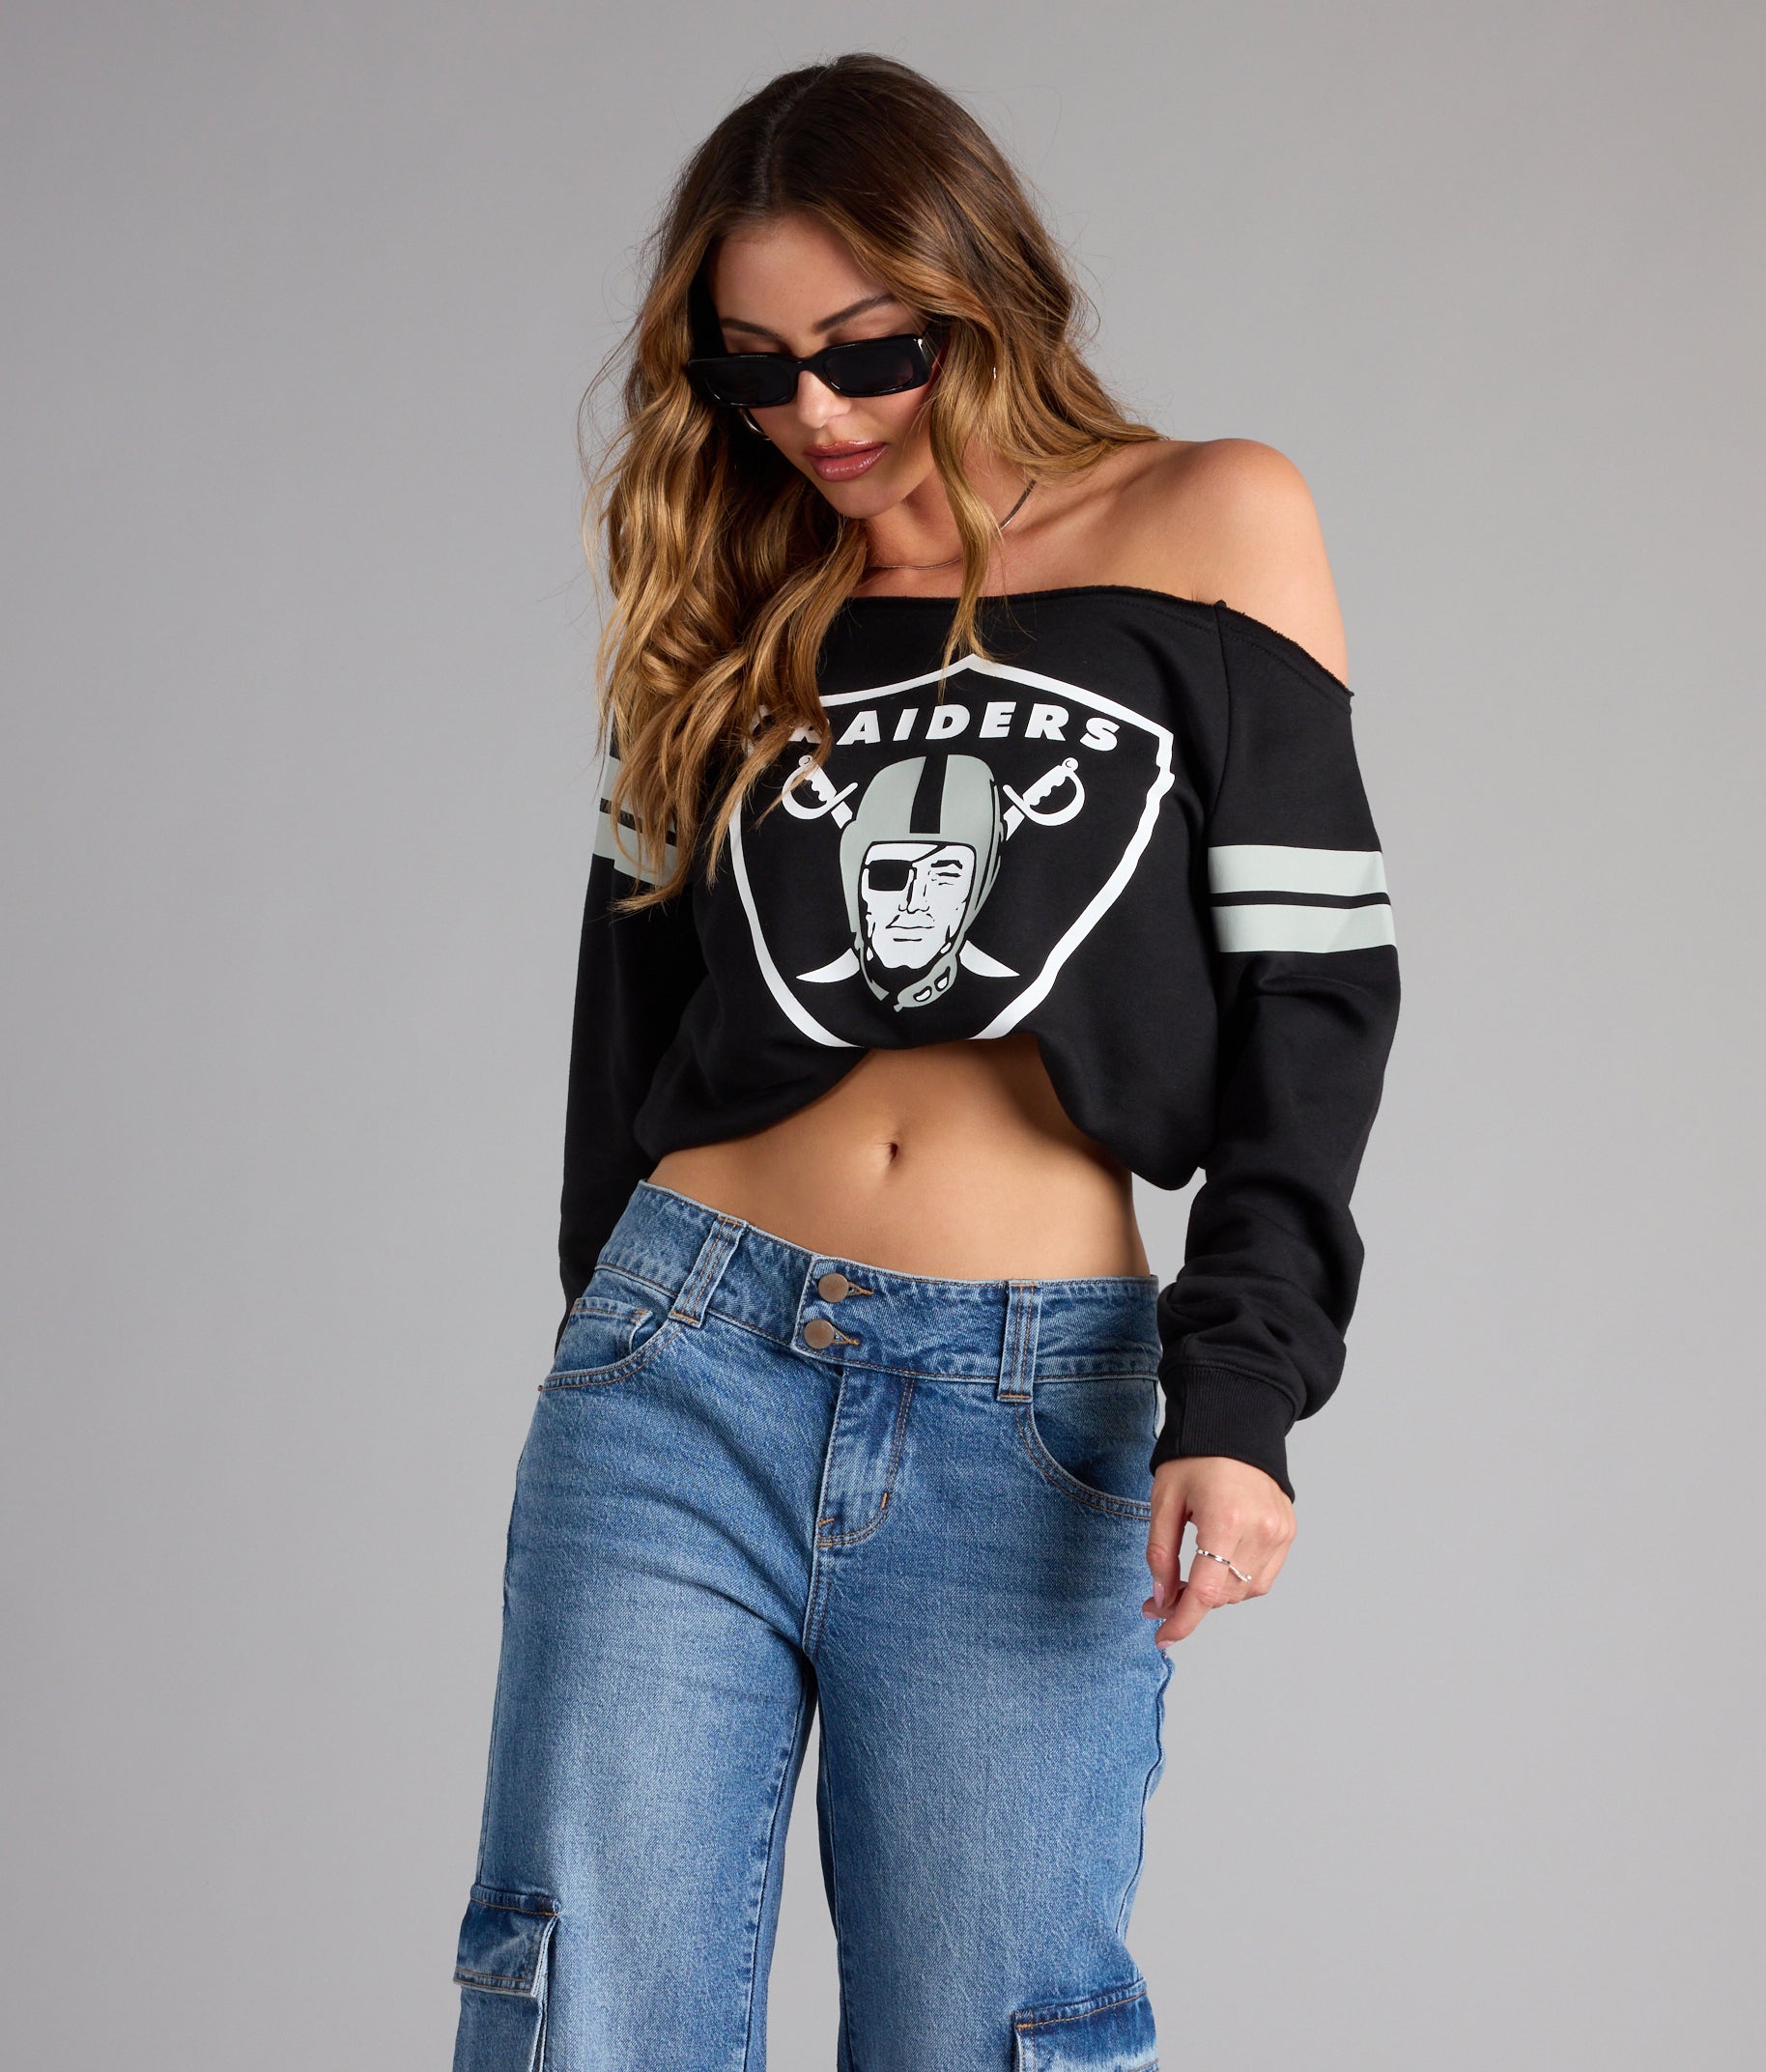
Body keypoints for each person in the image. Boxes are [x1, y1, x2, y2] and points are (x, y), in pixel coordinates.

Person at [450, 51, 1400, 2072]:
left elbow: (1313, 1008)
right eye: (754, 370)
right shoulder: (730, 586)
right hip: (680, 1366)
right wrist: (602, 1328)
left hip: (1029, 1403)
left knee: (995, 2028)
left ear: (983, 291)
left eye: (867, 353)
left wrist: (1241, 1392)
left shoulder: (1212, 518)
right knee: (576, 2008)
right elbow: (626, 1009)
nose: (815, 414)